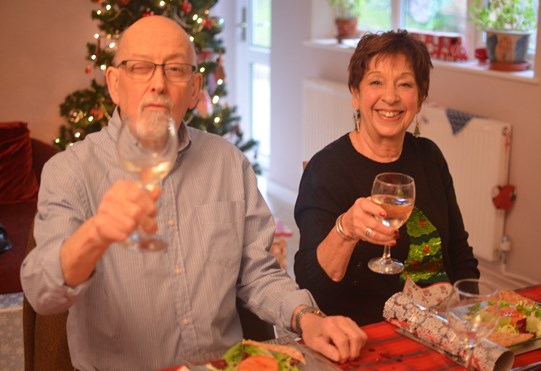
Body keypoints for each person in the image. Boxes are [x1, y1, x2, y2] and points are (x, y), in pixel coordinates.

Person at [21, 16, 366, 371]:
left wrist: (309, 319)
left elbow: (259, 274)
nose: (158, 84)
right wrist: (96, 234)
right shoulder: (70, 171)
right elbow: (42, 294)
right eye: (140, 68)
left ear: (194, 88)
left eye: (175, 69)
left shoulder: (228, 163)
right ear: (114, 83)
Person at [294, 30, 480, 326]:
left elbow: (459, 252)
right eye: (376, 82)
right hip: (371, 338)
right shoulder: (326, 169)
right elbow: (312, 285)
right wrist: (346, 229)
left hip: (443, 329)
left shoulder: (430, 156)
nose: (391, 97)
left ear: (419, 100)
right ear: (355, 94)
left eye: (405, 84)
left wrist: (469, 318)